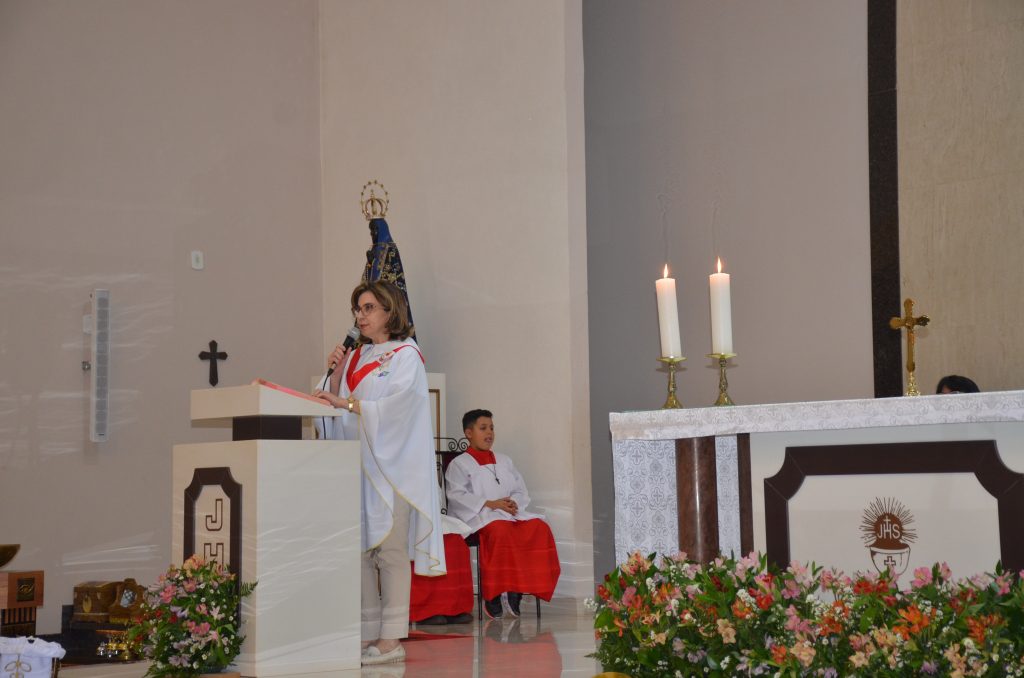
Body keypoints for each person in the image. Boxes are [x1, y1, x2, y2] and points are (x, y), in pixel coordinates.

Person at [313, 280, 445, 666]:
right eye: (358, 308)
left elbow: (399, 409)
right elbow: (332, 409)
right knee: (360, 554)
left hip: (391, 471)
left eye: (369, 308)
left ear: (390, 312)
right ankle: (369, 633)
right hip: (357, 470)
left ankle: (391, 639)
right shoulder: (353, 357)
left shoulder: (407, 355)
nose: (360, 315)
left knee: (389, 553)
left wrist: (348, 402)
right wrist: (334, 377)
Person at [444, 409, 561, 618]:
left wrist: (513, 502)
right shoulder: (459, 464)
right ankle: (494, 594)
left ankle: (519, 588)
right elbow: (457, 495)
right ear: (468, 433)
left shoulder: (504, 460)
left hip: (509, 514)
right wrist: (490, 504)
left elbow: (519, 489)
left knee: (539, 528)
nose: (489, 433)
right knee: (500, 531)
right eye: (483, 428)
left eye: (491, 428)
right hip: (481, 517)